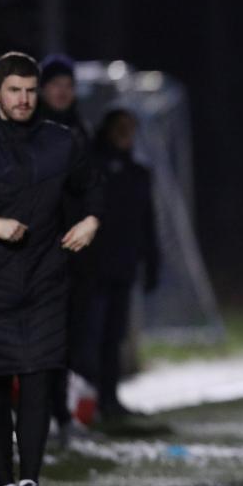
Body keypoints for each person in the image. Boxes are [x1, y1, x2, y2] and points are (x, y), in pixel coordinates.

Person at [0, 52, 102, 486]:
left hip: (44, 280)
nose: (24, 99)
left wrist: (91, 219)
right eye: (15, 91)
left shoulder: (60, 141)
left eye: (30, 90)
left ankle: (30, 482)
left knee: (37, 380)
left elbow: (93, 186)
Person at [70, 108, 159, 419]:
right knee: (88, 337)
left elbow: (147, 222)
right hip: (92, 269)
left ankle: (108, 398)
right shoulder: (91, 167)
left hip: (123, 268)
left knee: (114, 338)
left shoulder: (139, 174)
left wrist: (152, 260)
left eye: (129, 129)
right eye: (119, 128)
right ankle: (83, 402)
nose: (125, 134)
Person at [38, 53, 90, 447]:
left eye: (67, 85)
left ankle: (60, 414)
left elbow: (91, 192)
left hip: (70, 255)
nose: (61, 91)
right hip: (32, 253)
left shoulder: (78, 132)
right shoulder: (27, 131)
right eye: (54, 83)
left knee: (64, 341)